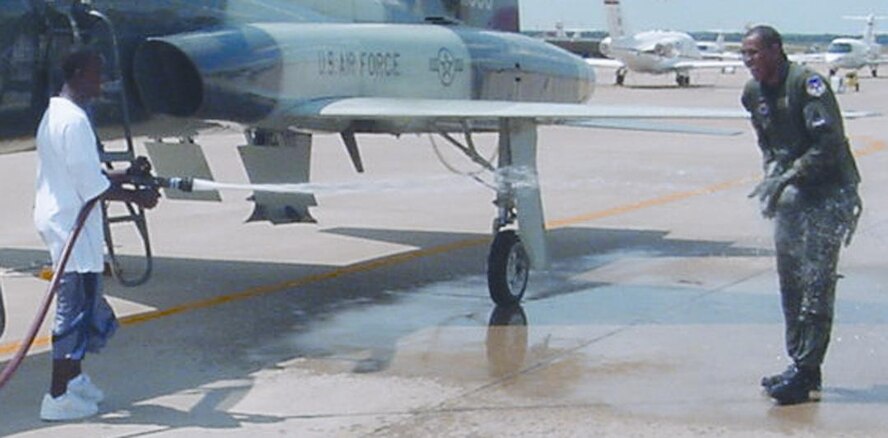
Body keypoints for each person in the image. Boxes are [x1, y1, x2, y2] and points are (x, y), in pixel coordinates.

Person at [33, 48, 159, 421]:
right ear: (75, 75)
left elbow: (88, 175)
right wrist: (139, 198)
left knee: (87, 301)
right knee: (73, 310)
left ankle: (74, 382)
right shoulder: (72, 122)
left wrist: (129, 174)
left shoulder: (60, 113)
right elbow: (91, 185)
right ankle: (57, 396)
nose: (100, 82)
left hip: (71, 218)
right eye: (95, 74)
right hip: (69, 224)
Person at [740, 26, 862, 405]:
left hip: (830, 193)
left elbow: (828, 144)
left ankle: (806, 370)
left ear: (776, 51)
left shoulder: (807, 84)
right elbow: (768, 143)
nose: (749, 61)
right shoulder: (753, 93)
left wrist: (787, 177)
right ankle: (801, 363)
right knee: (790, 281)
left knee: (815, 283)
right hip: (793, 197)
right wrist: (773, 177)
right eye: (744, 55)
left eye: (755, 53)